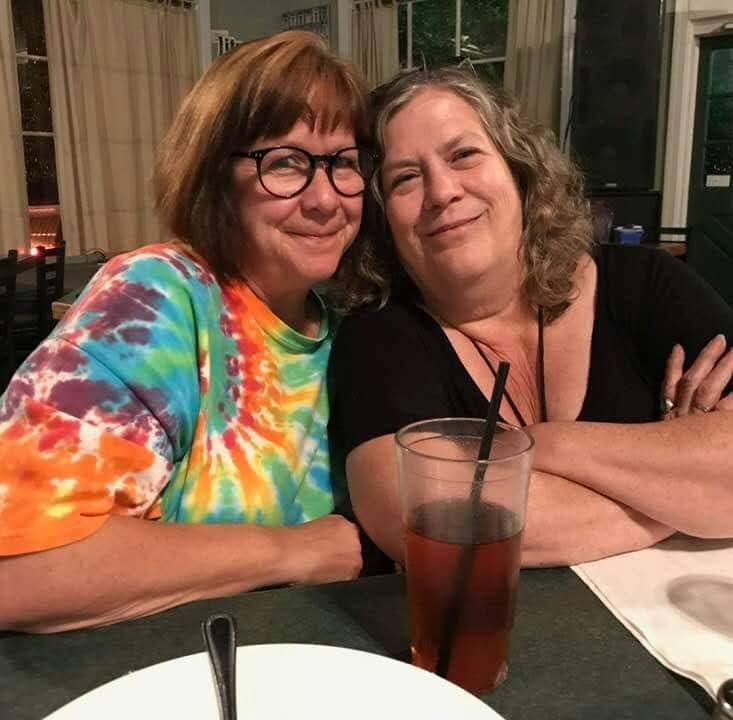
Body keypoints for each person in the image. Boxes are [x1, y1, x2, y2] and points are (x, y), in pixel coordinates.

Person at [0, 31, 373, 632]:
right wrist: (290, 551)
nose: (326, 199)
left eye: (344, 163)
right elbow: (19, 571)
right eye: (286, 163)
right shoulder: (156, 296)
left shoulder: (351, 328)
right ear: (215, 178)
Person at [328, 67, 733, 568]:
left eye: (463, 155)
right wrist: (686, 490)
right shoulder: (379, 336)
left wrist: (546, 445)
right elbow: (427, 519)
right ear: (382, 217)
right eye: (405, 178)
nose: (442, 191)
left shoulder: (646, 282)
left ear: (519, 171)